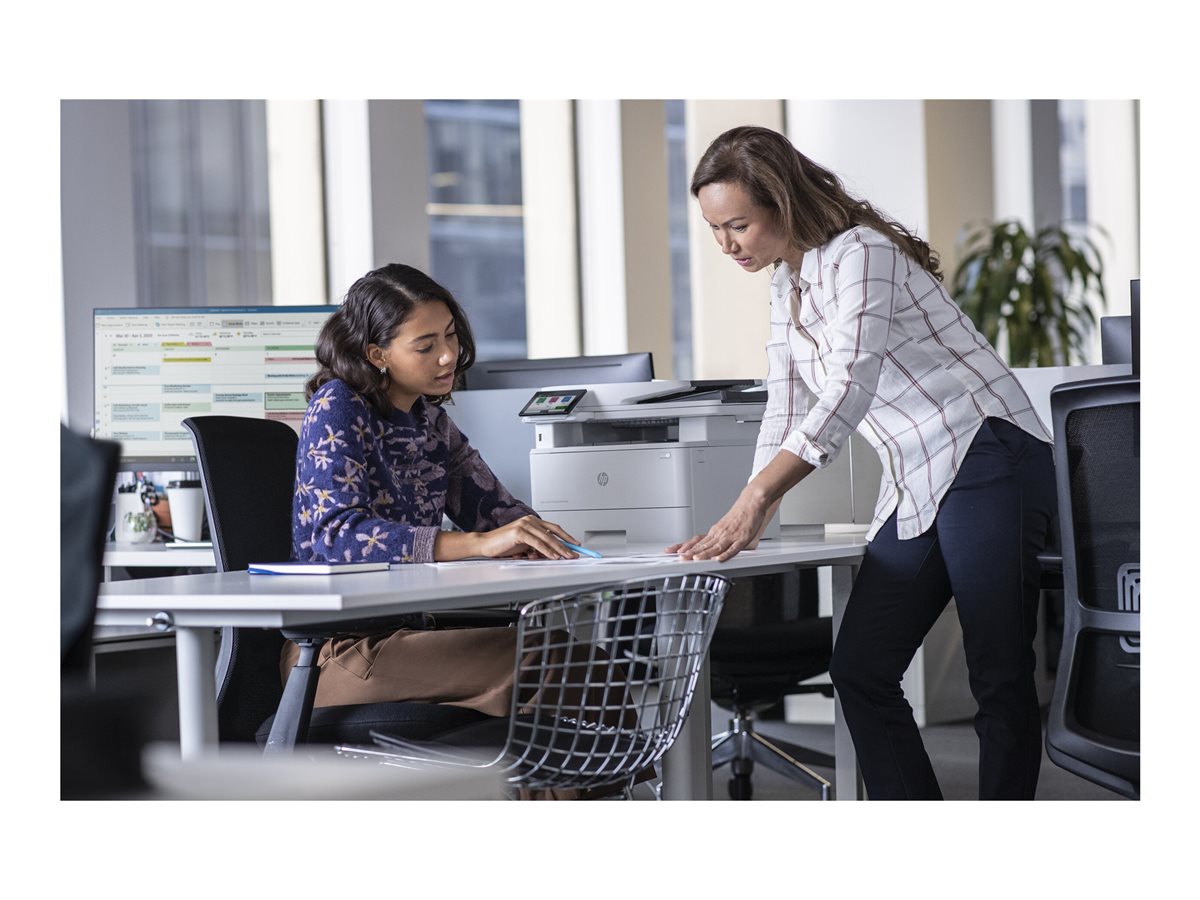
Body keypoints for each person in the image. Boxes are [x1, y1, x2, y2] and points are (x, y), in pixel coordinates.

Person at [671, 126, 1057, 800]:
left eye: (737, 225)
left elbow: (850, 385)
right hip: (914, 474)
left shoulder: (862, 254)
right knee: (861, 668)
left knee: (998, 672)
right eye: (713, 229)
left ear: (782, 202)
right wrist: (751, 506)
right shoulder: (786, 284)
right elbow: (785, 404)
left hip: (985, 449)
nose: (726, 245)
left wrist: (759, 499)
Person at [287, 264, 623, 795]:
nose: (448, 355)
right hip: (337, 653)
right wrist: (481, 545)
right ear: (377, 354)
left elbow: (499, 515)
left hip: (407, 639)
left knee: (582, 665)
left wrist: (550, 540)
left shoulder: (429, 421)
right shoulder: (338, 406)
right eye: (425, 346)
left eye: (450, 336)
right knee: (556, 659)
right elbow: (338, 537)